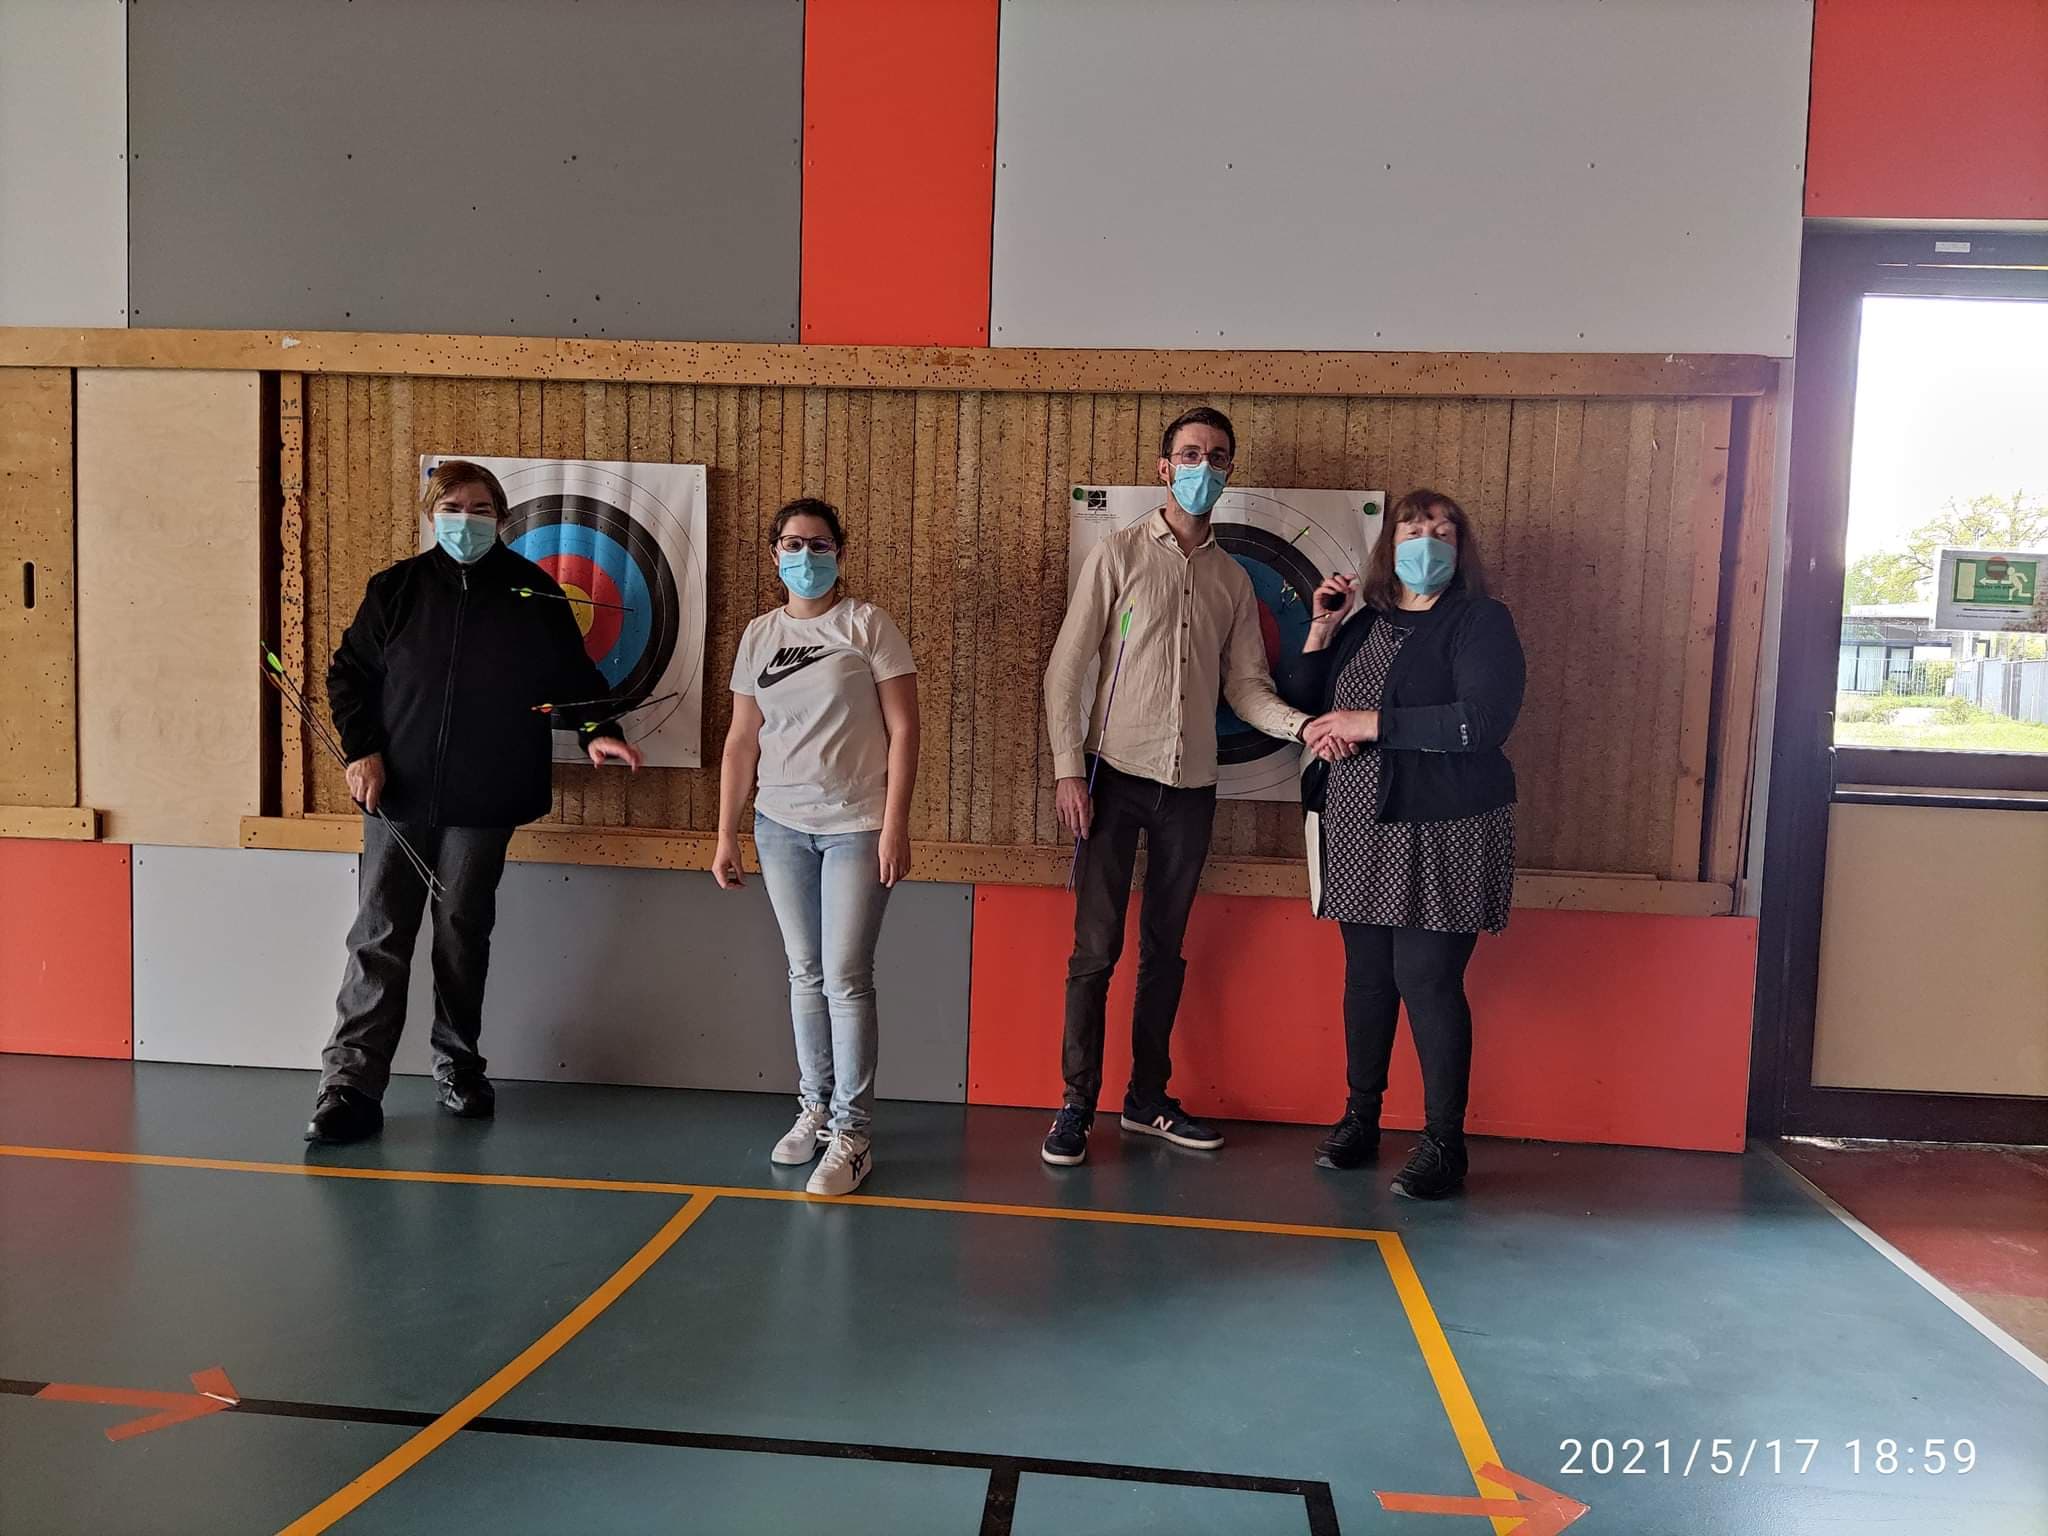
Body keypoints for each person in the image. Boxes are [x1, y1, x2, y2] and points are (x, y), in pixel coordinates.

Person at [307, 460, 644, 1144]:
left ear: (502, 518)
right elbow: (349, 675)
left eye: (482, 508)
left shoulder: (533, 590)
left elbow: (574, 680)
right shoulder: (396, 587)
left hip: (485, 795)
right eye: (454, 507)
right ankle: (349, 1086)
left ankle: (458, 1066)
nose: (467, 520)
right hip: (398, 794)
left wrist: (598, 730)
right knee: (379, 934)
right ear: (433, 515)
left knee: (462, 931)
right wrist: (362, 750)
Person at [1039, 405, 1313, 1167]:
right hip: (1112, 779)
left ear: (1229, 472)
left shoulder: (1231, 580)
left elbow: (1247, 688)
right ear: (1164, 468)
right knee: (1096, 951)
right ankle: (1076, 1104)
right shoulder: (1118, 554)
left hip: (1191, 789)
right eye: (1190, 454)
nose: (1203, 467)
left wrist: (1304, 727)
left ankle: (1147, 1101)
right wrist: (1068, 769)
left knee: (1167, 951)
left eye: (1217, 456)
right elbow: (1066, 670)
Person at [1277, 489, 1525, 1200]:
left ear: (1461, 548)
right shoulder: (1366, 621)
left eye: (1443, 531)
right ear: (1390, 547)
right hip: (1358, 819)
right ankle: (1362, 1117)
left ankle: (1445, 1142)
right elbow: (1307, 696)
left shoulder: (1481, 621)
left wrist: (1372, 723)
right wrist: (1322, 628)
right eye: (1413, 531)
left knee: (1426, 979)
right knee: (1367, 978)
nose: (1427, 542)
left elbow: (1482, 721)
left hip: (1444, 825)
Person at [712, 498, 919, 1198]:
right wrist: (727, 832)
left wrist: (895, 824)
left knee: (845, 976)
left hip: (857, 826)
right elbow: (742, 740)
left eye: (820, 543)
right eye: (793, 543)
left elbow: (905, 730)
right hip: (780, 827)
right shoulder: (759, 635)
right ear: (775, 553)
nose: (806, 555)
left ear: (840, 552)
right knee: (804, 973)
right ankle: (816, 1109)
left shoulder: (868, 626)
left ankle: (853, 1133)